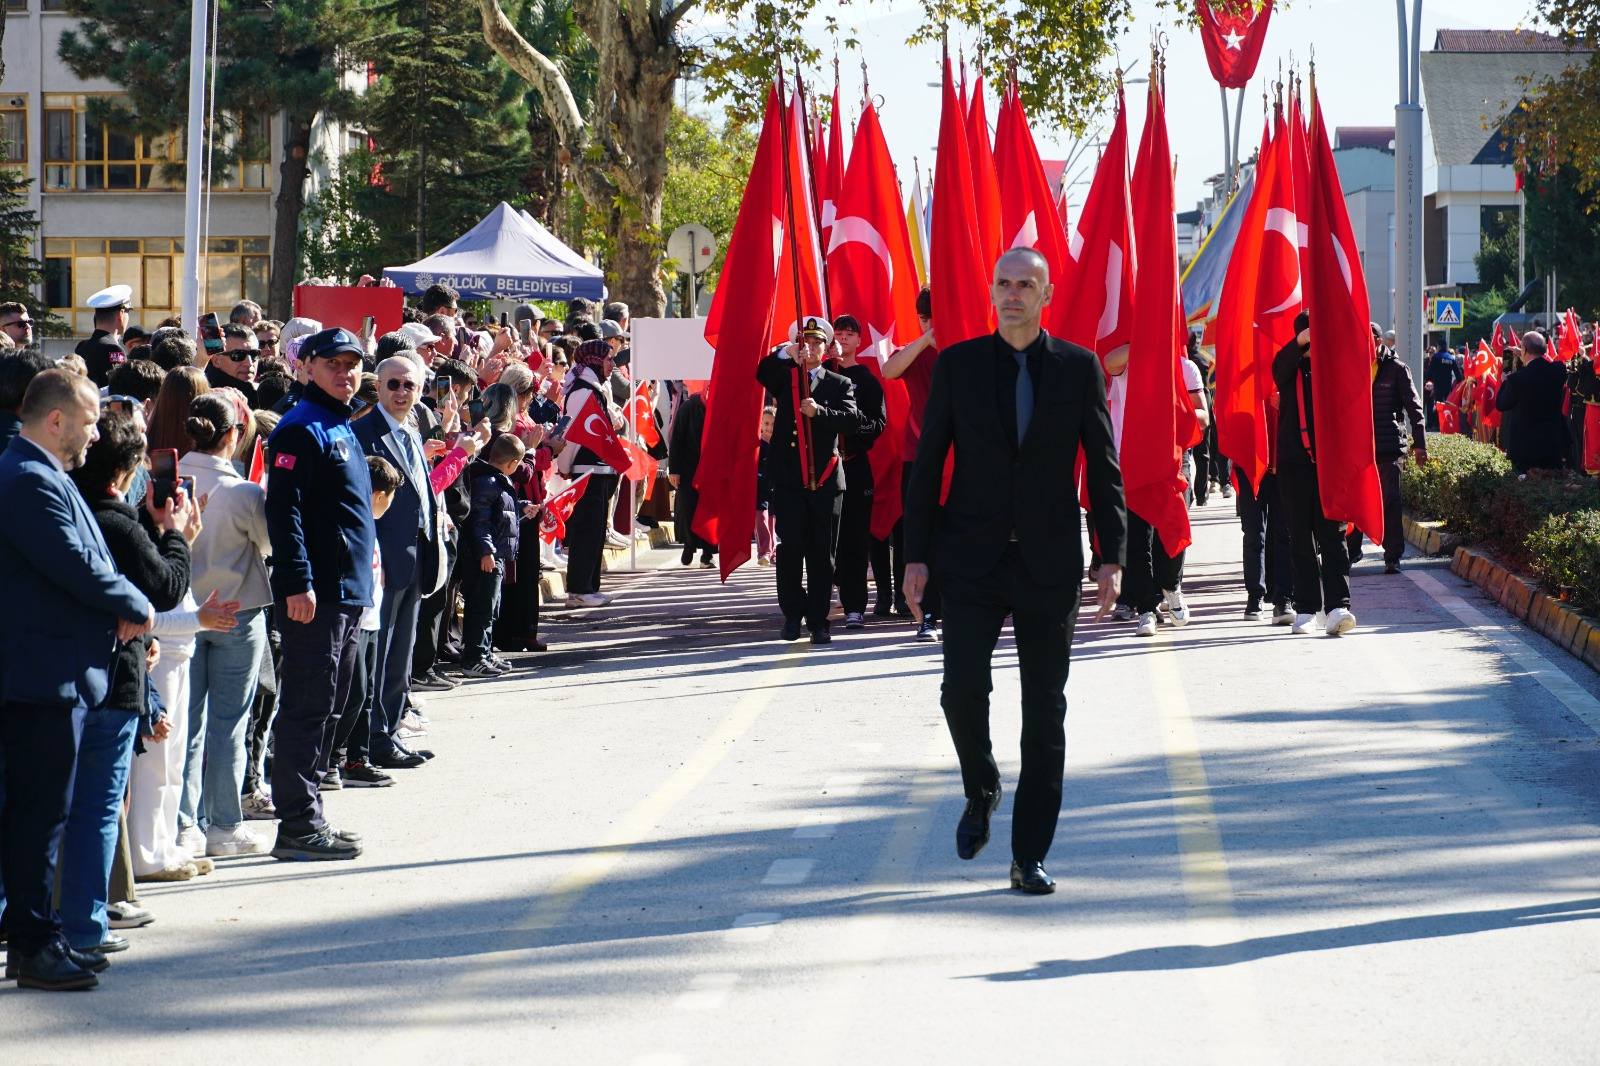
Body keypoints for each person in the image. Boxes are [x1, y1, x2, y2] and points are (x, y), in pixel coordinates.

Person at [903, 248, 1125, 895]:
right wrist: (916, 556)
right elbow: (927, 466)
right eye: (1003, 283)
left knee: (1044, 712)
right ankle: (982, 786)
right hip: (970, 559)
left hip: (1049, 564)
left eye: (1026, 284)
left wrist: (1111, 555)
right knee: (960, 690)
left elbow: (1102, 468)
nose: (1013, 294)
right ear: (991, 291)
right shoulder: (958, 367)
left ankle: (1028, 855)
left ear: (1046, 293)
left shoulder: (1078, 369)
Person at [0, 370, 153, 990]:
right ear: (56, 420)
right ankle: (34, 945)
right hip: (41, 676)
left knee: (44, 814)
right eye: (88, 420)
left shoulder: (44, 474)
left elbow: (87, 561)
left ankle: (41, 933)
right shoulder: (28, 478)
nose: (96, 432)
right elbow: (74, 564)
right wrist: (136, 605)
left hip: (56, 672)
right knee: (39, 816)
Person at [263, 327, 375, 862]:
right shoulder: (299, 427)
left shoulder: (338, 421)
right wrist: (297, 581)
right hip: (318, 593)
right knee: (308, 706)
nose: (345, 372)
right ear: (306, 366)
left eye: (352, 363)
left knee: (329, 705)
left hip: (345, 590)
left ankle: (310, 814)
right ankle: (297, 823)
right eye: (333, 363)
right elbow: (283, 512)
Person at [176, 393, 274, 858]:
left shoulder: (171, 479)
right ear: (234, 434)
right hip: (238, 610)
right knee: (228, 724)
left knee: (187, 722)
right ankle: (223, 824)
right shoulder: (244, 492)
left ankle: (185, 822)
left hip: (183, 613)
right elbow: (269, 545)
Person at [351, 355, 440, 771]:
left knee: (400, 655)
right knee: (380, 652)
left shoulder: (410, 432)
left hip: (415, 557)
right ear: (379, 387)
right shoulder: (362, 433)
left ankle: (388, 731)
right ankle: (371, 738)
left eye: (410, 386)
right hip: (382, 562)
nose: (402, 393)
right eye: (393, 385)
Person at [757, 317, 861, 644]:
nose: (811, 348)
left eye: (817, 343)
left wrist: (820, 413)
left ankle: (818, 621)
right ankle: (792, 615)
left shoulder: (837, 383)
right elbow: (762, 370)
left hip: (826, 482)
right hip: (790, 481)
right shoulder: (786, 378)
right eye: (805, 342)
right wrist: (786, 352)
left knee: (821, 555)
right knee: (790, 552)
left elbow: (852, 420)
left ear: (826, 348)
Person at [1273, 310, 1357, 636]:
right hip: (1295, 465)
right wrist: (1300, 345)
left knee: (1333, 537)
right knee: (1300, 540)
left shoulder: (1332, 366)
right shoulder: (1288, 368)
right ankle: (1306, 609)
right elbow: (1279, 366)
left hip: (1328, 464)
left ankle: (1338, 606)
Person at [883, 287, 941, 637]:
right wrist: (925, 340)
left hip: (961, 461)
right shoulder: (916, 352)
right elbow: (890, 370)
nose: (931, 324)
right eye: (925, 318)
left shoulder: (966, 351)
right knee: (922, 539)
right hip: (918, 458)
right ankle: (927, 615)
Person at [1349, 325, 1427, 573]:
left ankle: (1392, 555)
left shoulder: (1397, 369)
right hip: (1359, 449)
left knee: (1390, 501)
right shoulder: (1353, 368)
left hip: (1390, 447)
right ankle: (1352, 551)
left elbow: (1415, 409)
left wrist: (1420, 444)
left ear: (1379, 340)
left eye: (1369, 339)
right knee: (1356, 502)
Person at [827, 315, 888, 628]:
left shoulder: (867, 380)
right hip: (823, 470)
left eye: (850, 333)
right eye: (838, 332)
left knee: (854, 539)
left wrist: (851, 428)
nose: (843, 338)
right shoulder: (819, 375)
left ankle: (855, 606)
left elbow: (878, 423)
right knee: (824, 538)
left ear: (859, 341)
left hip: (855, 467)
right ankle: (824, 594)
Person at [559, 339, 623, 608]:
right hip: (587, 471)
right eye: (609, 359)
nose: (613, 365)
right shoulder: (583, 391)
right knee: (587, 529)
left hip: (599, 470)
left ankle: (588, 587)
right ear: (595, 361)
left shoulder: (595, 388)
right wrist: (564, 466)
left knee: (596, 529)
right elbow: (570, 435)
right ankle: (579, 588)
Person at [463, 434, 526, 675]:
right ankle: (474, 656)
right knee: (481, 607)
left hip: (495, 554)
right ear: (512, 464)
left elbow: (500, 515)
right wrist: (486, 551)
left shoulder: (495, 481)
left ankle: (486, 651)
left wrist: (521, 508)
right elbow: (480, 522)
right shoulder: (488, 483)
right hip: (486, 557)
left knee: (492, 607)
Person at [1496, 331, 1571, 474]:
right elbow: (1545, 365)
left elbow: (1502, 404)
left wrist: (1505, 382)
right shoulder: (1558, 370)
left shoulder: (1516, 379)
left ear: (1524, 350)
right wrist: (1526, 352)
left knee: (1525, 488)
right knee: (1553, 486)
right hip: (1552, 442)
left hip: (1525, 447)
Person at [668, 386, 713, 567]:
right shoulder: (689, 407)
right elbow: (677, 438)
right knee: (688, 508)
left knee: (710, 510)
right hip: (689, 469)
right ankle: (689, 544)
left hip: (713, 470)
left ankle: (707, 553)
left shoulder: (722, 405)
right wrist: (674, 469)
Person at [76, 284, 133, 387]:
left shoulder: (81, 347)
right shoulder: (113, 349)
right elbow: (119, 390)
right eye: (128, 311)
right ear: (121, 314)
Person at [207, 324, 261, 406]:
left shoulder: (264, 393)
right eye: (238, 355)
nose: (249, 363)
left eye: (254, 354)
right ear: (216, 360)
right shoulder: (205, 397)